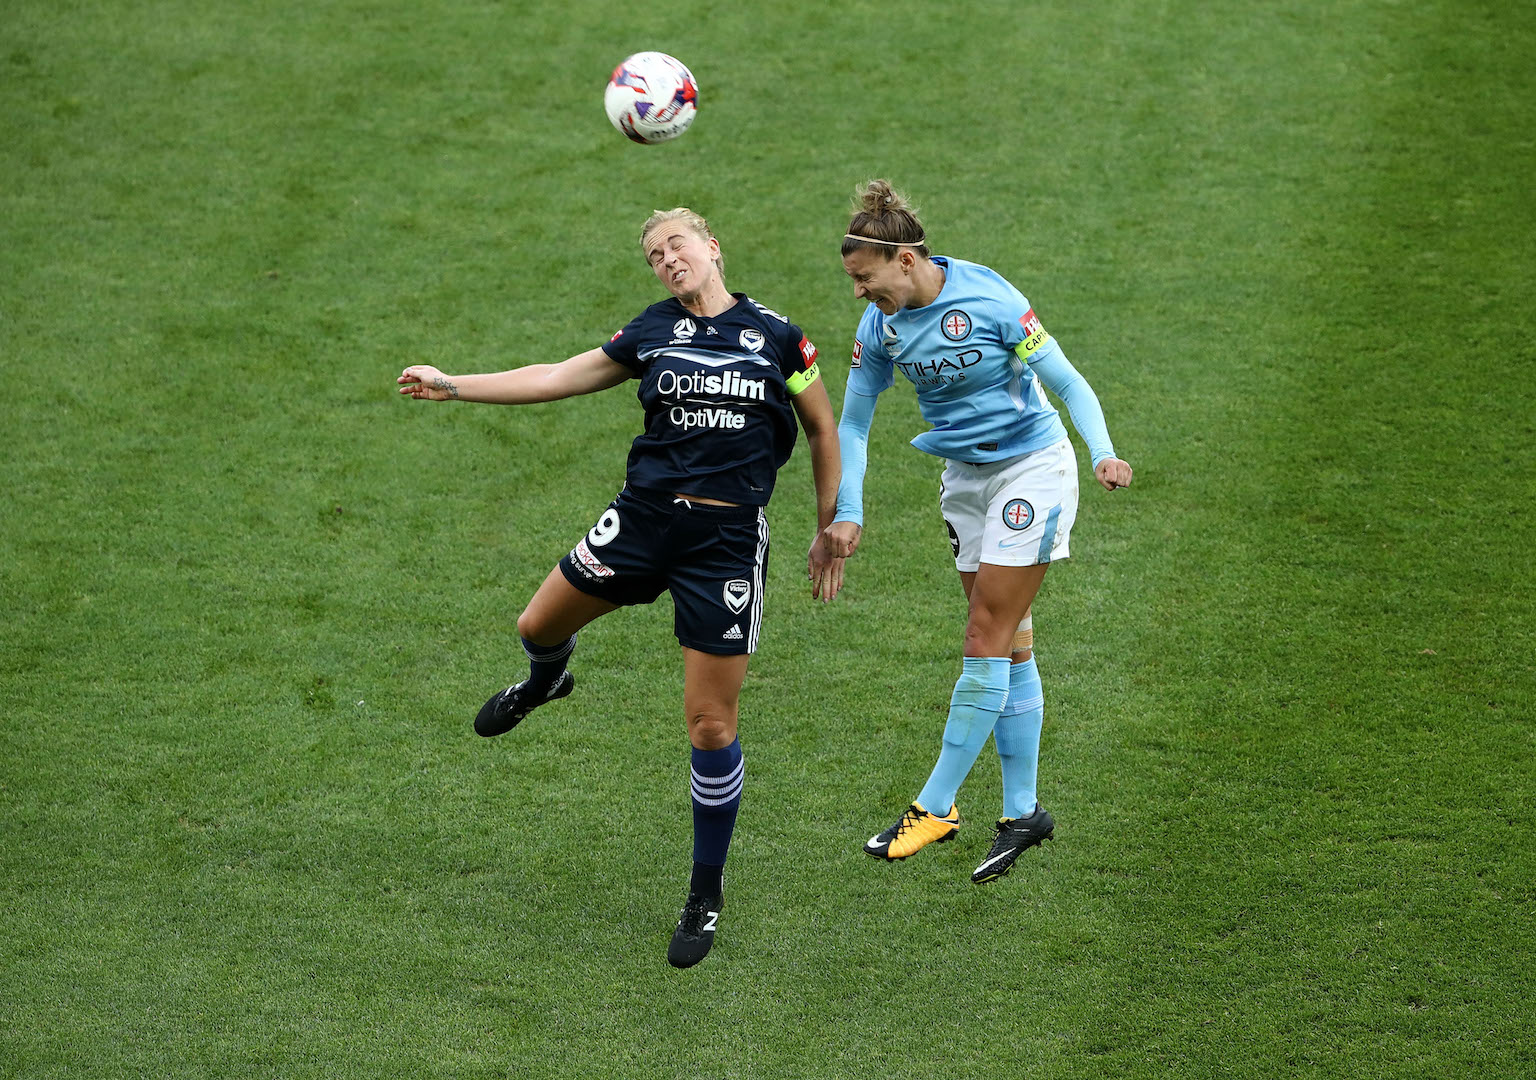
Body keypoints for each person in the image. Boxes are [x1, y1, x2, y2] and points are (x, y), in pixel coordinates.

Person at [398, 208, 844, 966]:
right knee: (535, 625)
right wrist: (454, 384)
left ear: (712, 248)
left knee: (709, 724)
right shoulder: (651, 330)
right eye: (654, 254)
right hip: (640, 522)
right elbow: (557, 377)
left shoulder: (777, 335)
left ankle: (705, 893)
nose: (668, 259)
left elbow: (822, 430)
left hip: (726, 541)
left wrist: (833, 523)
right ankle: (546, 682)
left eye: (678, 244)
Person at [824, 180, 1133, 884]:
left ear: (905, 260)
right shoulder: (880, 329)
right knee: (1010, 648)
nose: (858, 294)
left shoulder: (990, 299)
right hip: (964, 481)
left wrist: (1102, 450)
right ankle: (1022, 813)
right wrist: (851, 509)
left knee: (983, 636)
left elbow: (1068, 382)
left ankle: (935, 804)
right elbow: (854, 423)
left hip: (1033, 469)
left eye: (864, 278)